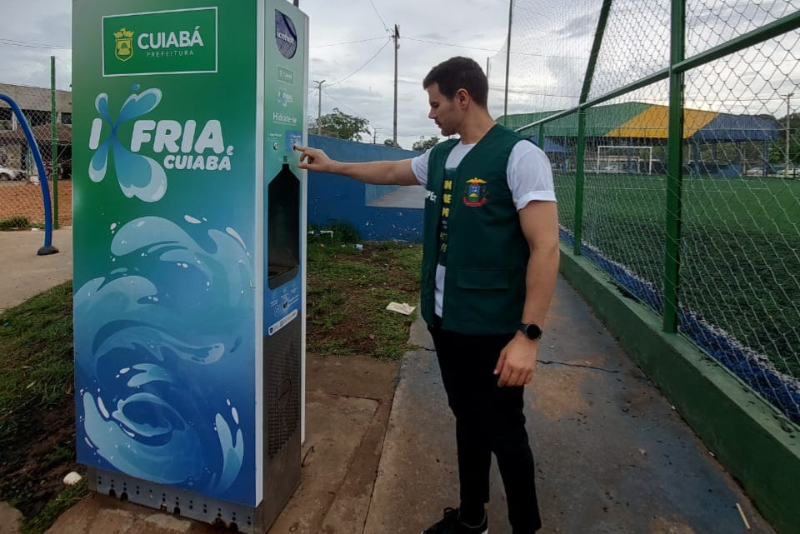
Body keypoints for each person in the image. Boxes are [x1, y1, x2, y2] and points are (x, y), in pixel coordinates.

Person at [296, 56, 559, 534]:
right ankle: (472, 518)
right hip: (445, 319)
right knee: (467, 418)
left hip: (493, 325)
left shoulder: (519, 156)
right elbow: (390, 170)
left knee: (504, 430)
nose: (431, 113)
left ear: (463, 98)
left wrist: (528, 335)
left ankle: (527, 527)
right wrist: (332, 166)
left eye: (436, 104)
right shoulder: (441, 156)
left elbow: (546, 247)